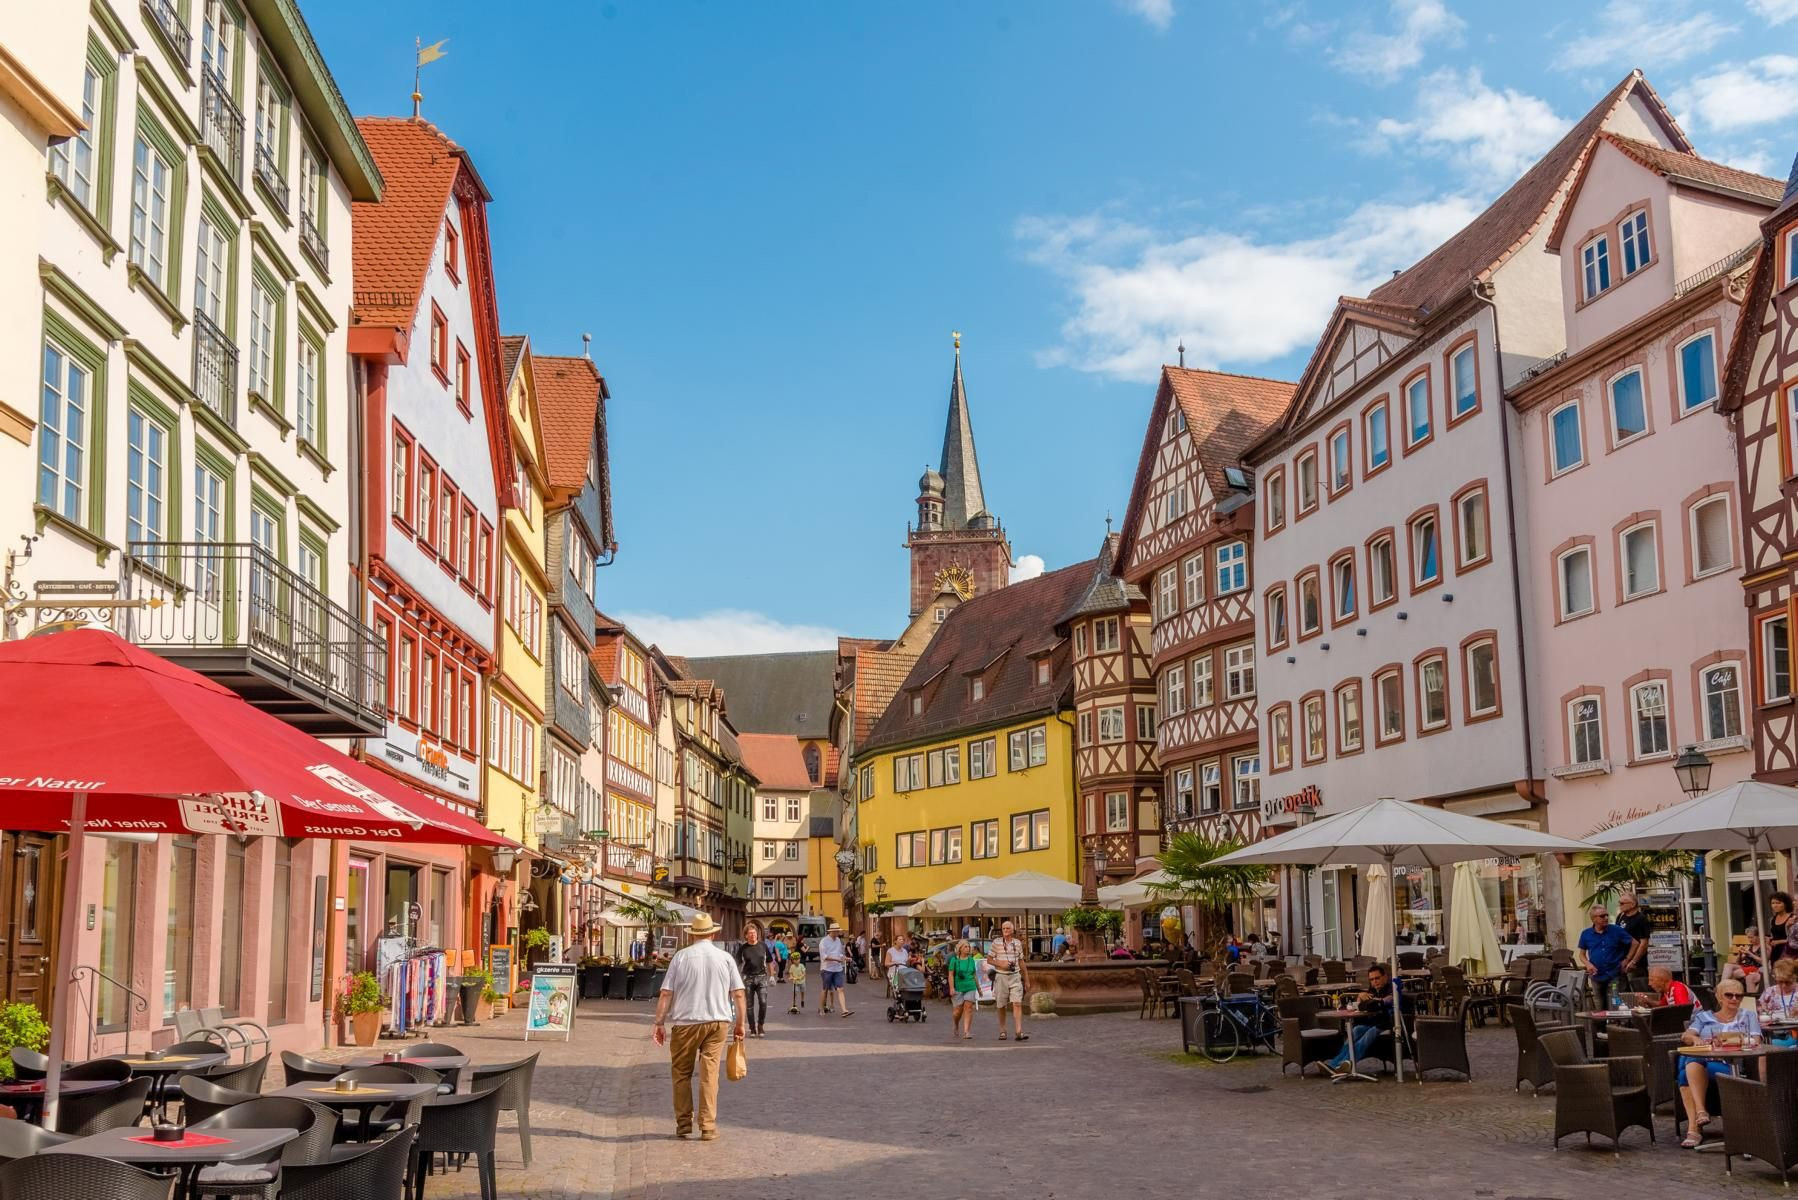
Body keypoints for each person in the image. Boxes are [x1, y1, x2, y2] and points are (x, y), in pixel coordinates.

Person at [652, 913, 746, 1142]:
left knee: (681, 1074)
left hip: (686, 1023)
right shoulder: (725, 958)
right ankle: (708, 1126)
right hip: (717, 1022)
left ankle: (684, 1124)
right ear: (712, 934)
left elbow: (666, 993)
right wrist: (740, 1024)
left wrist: (659, 1022)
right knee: (709, 1074)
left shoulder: (681, 957)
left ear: (692, 935)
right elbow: (738, 994)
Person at [1677, 978, 1761, 1148]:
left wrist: (1729, 1041)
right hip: (1705, 1062)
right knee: (1691, 1064)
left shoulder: (1748, 1016)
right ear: (1719, 997)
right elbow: (1686, 1036)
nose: (1734, 999)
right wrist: (1696, 1039)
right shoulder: (1704, 1017)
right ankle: (1699, 1116)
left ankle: (1696, 1125)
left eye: (1738, 996)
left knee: (1685, 1070)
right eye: (1729, 995)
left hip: (1730, 1065)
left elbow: (1756, 1040)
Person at [1322, 962, 1412, 1078]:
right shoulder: (1373, 990)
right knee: (1355, 1031)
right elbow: (1360, 1006)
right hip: (1373, 1023)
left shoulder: (1392, 988)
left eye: (1377, 978)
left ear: (1385, 977)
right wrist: (1360, 997)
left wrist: (1374, 1000)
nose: (1375, 982)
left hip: (1388, 1024)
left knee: (1369, 1034)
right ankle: (1334, 1064)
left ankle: (1343, 1065)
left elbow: (1388, 1000)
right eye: (1372, 979)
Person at [1576, 904, 1633, 1008]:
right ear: (1593, 919)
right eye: (1602, 916)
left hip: (1614, 974)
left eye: (1607, 915)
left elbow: (1634, 943)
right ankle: (1600, 1018)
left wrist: (1627, 959)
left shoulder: (1616, 930)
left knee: (1615, 1003)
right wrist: (1588, 964)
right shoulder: (1586, 934)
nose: (1606, 918)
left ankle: (1615, 1017)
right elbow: (1581, 954)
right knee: (1599, 1005)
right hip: (1596, 975)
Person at [988, 920, 1030, 1041]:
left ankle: (1019, 1031)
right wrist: (1001, 963)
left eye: (1007, 928)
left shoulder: (1017, 943)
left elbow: (1021, 962)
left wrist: (1026, 979)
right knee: (1001, 1005)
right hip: (1001, 976)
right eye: (1004, 928)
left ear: (1012, 930)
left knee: (1017, 1003)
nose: (1005, 930)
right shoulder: (996, 942)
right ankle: (1002, 1030)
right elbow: (989, 960)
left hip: (1015, 976)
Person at [733, 924, 773, 1038]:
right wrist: (735, 978)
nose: (753, 935)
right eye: (750, 933)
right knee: (749, 1005)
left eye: (754, 933)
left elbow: (769, 961)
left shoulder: (763, 946)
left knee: (763, 1002)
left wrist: (772, 975)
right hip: (748, 979)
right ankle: (752, 1028)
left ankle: (760, 1025)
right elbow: (736, 964)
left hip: (762, 977)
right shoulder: (743, 948)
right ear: (746, 936)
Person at [1615, 892, 1652, 990]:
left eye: (1622, 903)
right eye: (1619, 903)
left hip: (1636, 963)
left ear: (1632, 904)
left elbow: (1644, 943)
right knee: (1623, 990)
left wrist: (1634, 961)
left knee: (1637, 990)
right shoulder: (1621, 916)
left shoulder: (1641, 919)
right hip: (1621, 960)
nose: (1620, 905)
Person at [817, 924, 854, 1018]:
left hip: (837, 969)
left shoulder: (838, 940)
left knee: (840, 989)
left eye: (838, 931)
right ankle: (821, 1008)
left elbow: (839, 954)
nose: (838, 933)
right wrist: (836, 959)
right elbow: (824, 957)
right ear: (831, 931)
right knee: (825, 989)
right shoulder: (823, 942)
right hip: (827, 969)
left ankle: (844, 1010)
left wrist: (845, 958)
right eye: (837, 931)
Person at [948, 939, 980, 1040]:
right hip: (958, 988)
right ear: (960, 949)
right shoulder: (954, 960)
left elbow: (974, 975)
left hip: (970, 986)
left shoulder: (971, 960)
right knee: (957, 1011)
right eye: (965, 947)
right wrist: (951, 988)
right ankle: (956, 1024)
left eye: (968, 947)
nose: (968, 948)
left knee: (968, 1007)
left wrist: (979, 989)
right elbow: (951, 975)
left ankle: (966, 1031)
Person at [1722, 927, 1765, 993]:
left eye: (1751, 937)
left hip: (1755, 968)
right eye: (1748, 937)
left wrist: (1750, 954)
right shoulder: (1749, 947)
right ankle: (1722, 986)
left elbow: (1763, 962)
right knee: (1727, 965)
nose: (1750, 940)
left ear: (1758, 936)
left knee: (1734, 973)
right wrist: (1740, 954)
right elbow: (1737, 962)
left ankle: (1729, 990)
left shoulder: (1763, 947)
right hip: (1745, 966)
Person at [1760, 958, 1798, 1022]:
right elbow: (1762, 1011)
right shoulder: (1770, 991)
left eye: (1787, 982)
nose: (1784, 985)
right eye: (1780, 982)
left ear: (1795, 978)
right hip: (1775, 1026)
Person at [1772, 892, 1794, 964]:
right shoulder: (1773, 919)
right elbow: (1775, 935)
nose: (1775, 905)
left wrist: (1779, 942)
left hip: (1789, 952)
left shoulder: (1792, 918)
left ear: (1785, 904)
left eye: (1778, 903)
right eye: (1773, 903)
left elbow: (1794, 940)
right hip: (1775, 951)